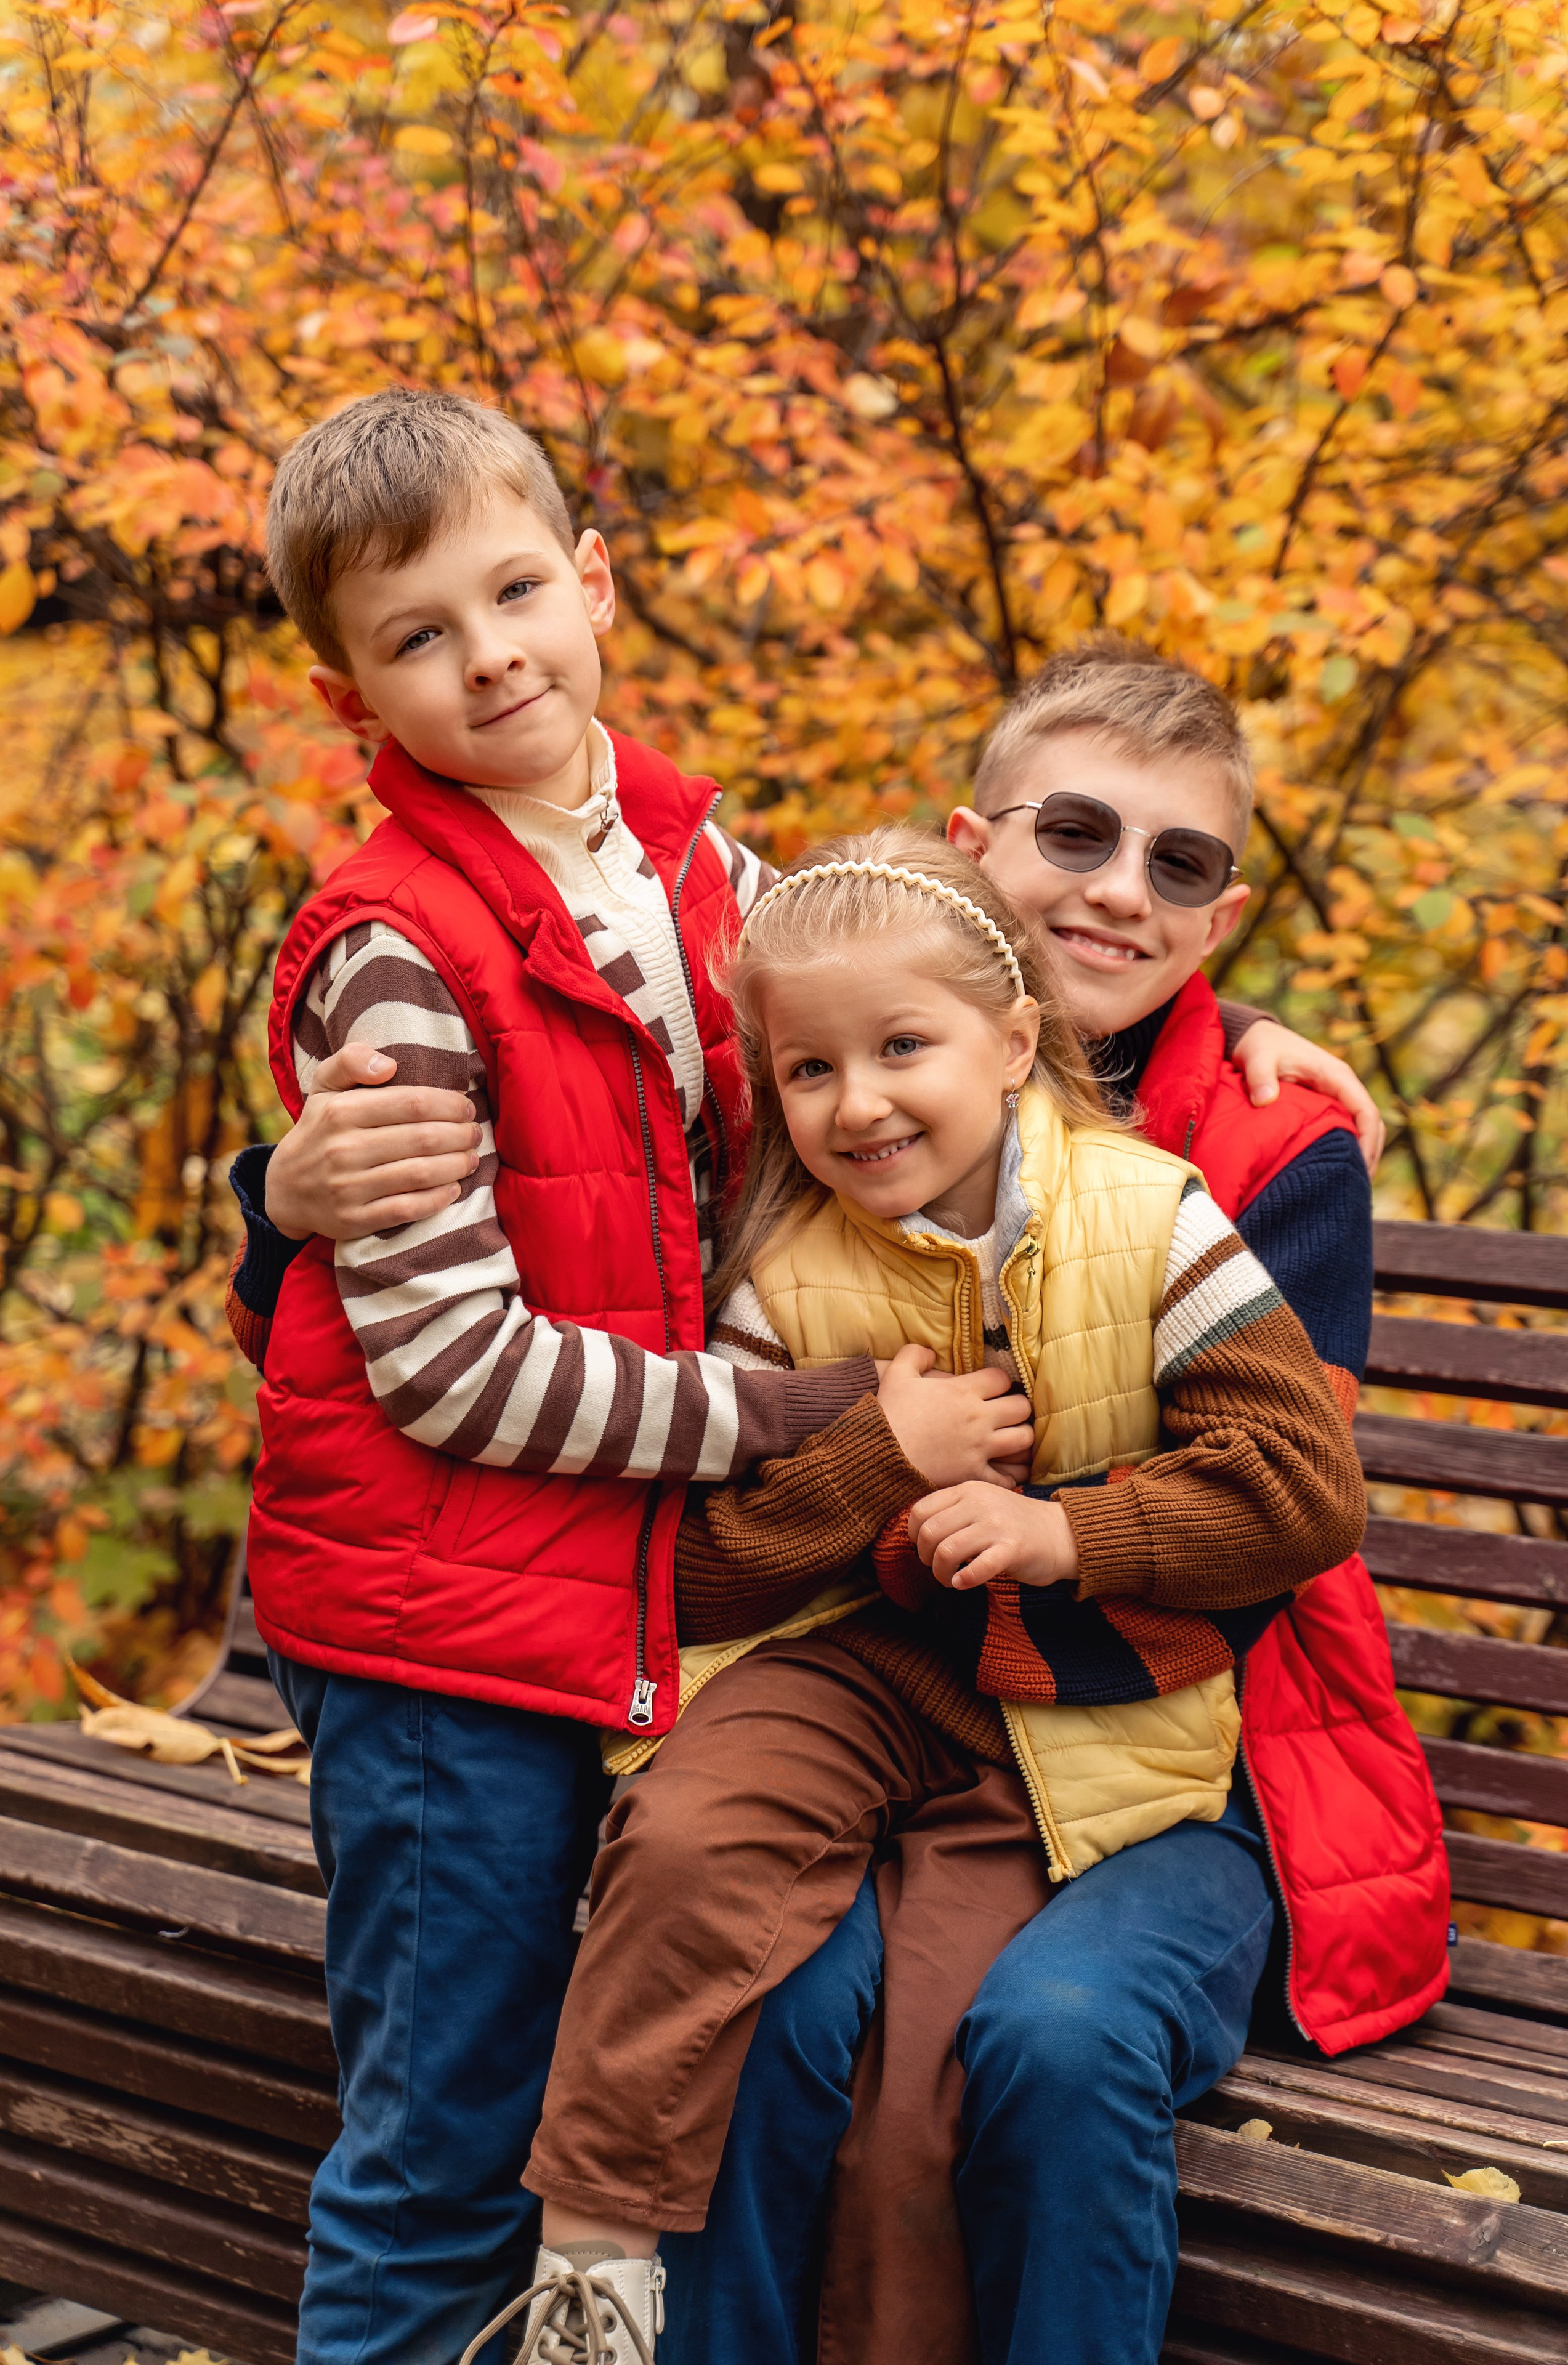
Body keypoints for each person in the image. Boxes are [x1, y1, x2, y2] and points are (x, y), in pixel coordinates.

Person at [232, 639, 1449, 2363]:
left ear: (1219, 919)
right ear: (973, 848)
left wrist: (1039, 1528)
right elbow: (578, 1145)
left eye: (1179, 868)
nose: (1120, 892)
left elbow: (1272, 1502)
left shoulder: (1235, 1154)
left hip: (1169, 1727)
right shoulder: (844, 1073)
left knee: (1003, 2040)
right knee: (778, 2003)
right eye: (1077, 837)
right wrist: (283, 1193)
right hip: (860, 1685)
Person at [241, 384, 1037, 2365]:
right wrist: (836, 1421)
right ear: (358, 703)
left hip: (618, 1609)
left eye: (517, 592)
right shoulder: (398, 953)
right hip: (446, 1641)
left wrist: (1255, 1038)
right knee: (445, 2153)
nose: (489, 652)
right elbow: (453, 1373)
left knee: (623, 2102)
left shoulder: (695, 868)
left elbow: (924, 1005)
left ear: (592, 586)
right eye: (420, 635)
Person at [448, 823, 1360, 2365]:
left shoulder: (1154, 1218)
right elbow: (700, 1566)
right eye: (808, 1073)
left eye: (901, 1050)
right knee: (682, 1829)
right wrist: (878, 1454)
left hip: (1054, 1724)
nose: (857, 1103)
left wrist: (1070, 1536)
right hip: (842, 1666)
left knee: (920, 2079)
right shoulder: (781, 1271)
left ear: (1014, 1045)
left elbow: (1301, 1490)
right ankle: (592, 2263)